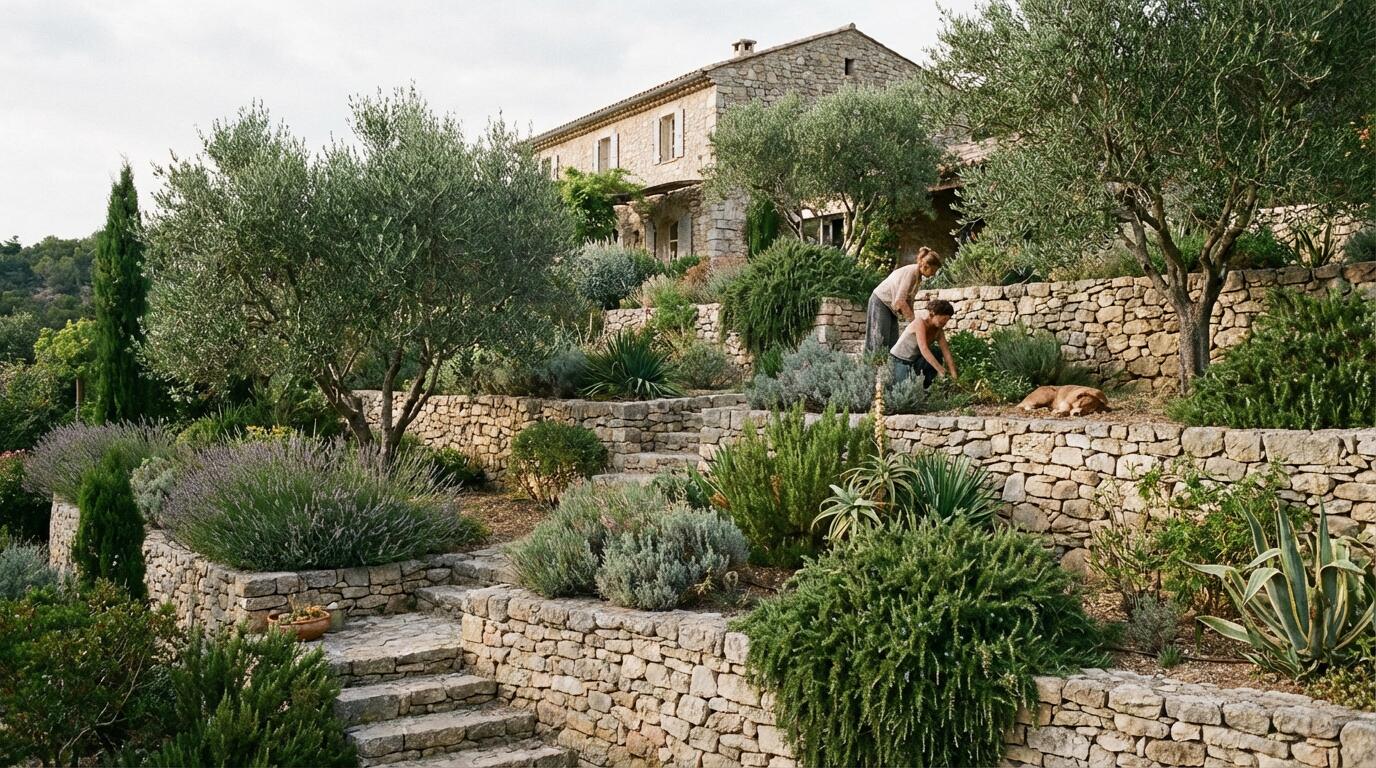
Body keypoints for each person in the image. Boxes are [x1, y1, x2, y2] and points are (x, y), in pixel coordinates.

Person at [864, 247, 943, 354]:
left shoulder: (918, 277)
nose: (933, 274)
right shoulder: (911, 273)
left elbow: (909, 302)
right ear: (925, 266)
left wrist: (915, 323)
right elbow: (899, 301)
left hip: (890, 307)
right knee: (879, 341)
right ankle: (871, 368)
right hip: (880, 301)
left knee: (892, 343)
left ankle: (887, 369)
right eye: (933, 270)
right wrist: (914, 322)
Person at [890, 299, 958, 388]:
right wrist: (940, 370)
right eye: (943, 319)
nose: (945, 322)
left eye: (947, 320)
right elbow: (924, 349)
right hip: (899, 360)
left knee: (936, 352)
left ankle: (928, 388)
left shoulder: (939, 331)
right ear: (933, 314)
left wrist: (954, 376)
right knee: (903, 390)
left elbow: (947, 353)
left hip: (914, 360)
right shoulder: (920, 322)